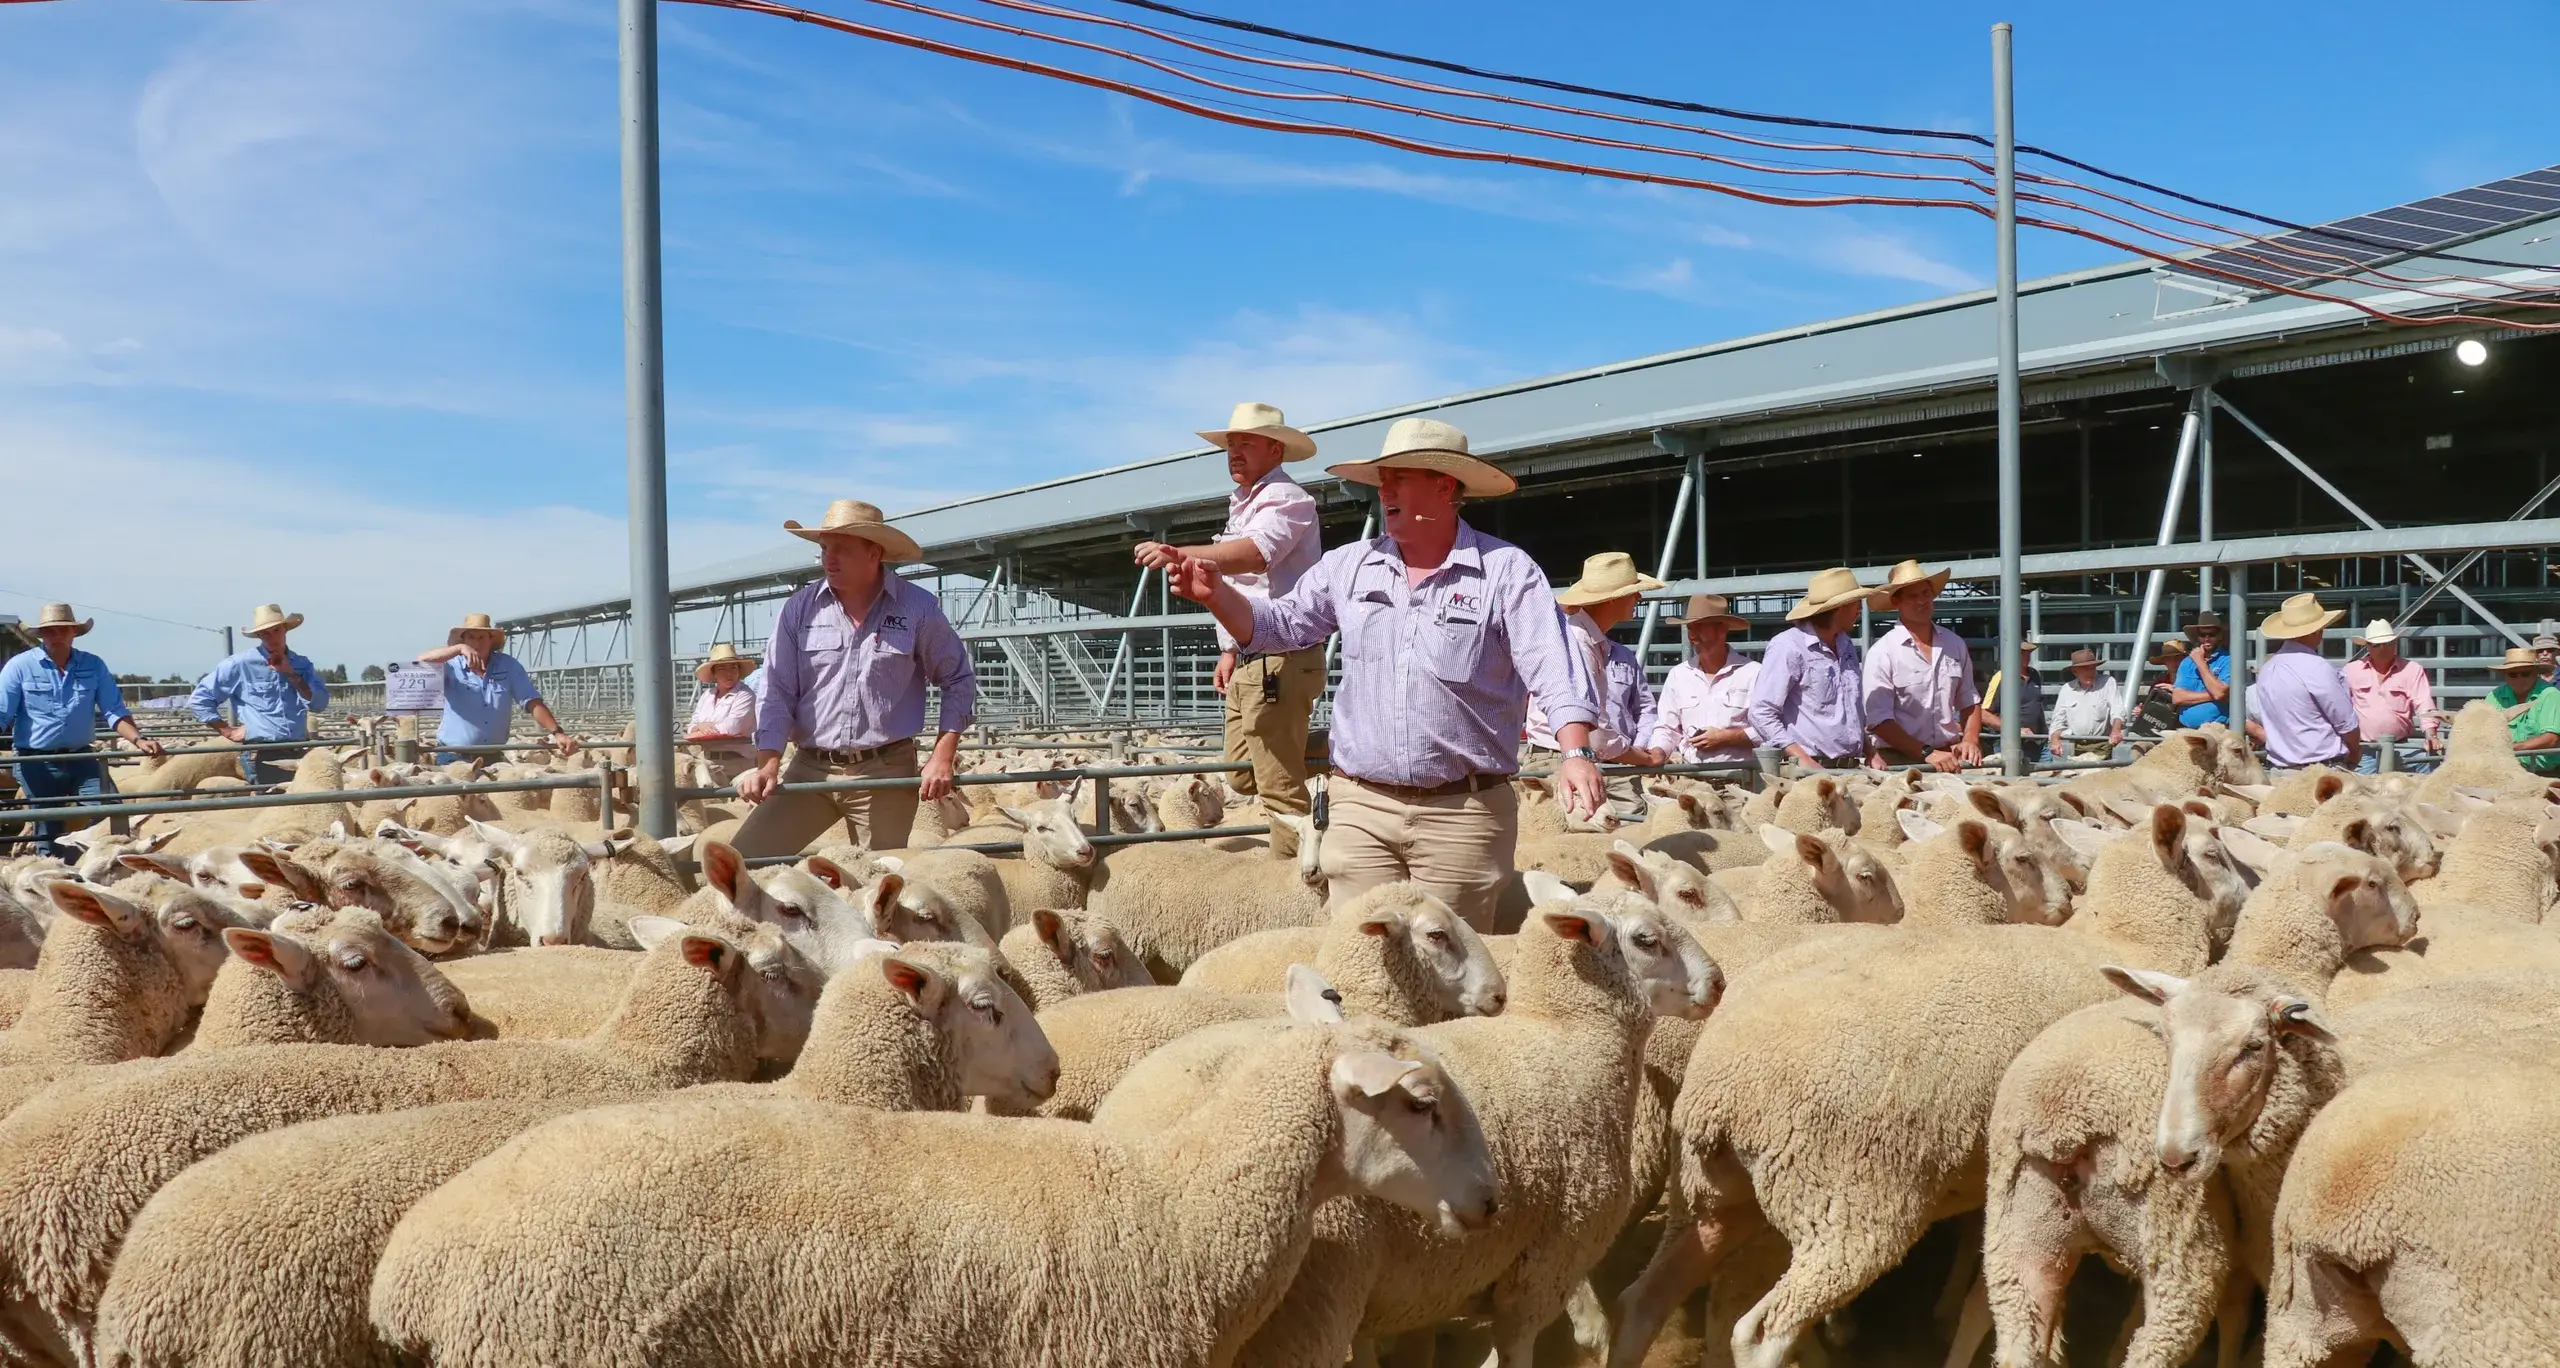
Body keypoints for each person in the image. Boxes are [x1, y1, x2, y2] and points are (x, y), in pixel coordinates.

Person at [1160, 416, 1604, 929]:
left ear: (1444, 485)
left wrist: (1575, 752)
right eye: (1381, 480)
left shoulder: (1506, 570)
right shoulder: (1349, 566)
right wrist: (1217, 595)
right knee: (1361, 964)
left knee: (1453, 978)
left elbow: (1552, 663)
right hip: (1360, 807)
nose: (1384, 491)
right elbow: (1278, 626)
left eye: (1399, 479)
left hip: (1461, 813)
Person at [1133, 403, 1324, 860]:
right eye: (1230, 445)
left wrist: (1177, 553)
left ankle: (1291, 877)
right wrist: (1229, 650)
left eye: (1246, 444)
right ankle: (1347, 754)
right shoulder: (1246, 503)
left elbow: (1256, 556)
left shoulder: (1289, 500)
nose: (1234, 453)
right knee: (1241, 772)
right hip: (1252, 657)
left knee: (1278, 786)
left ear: (1275, 449)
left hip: (1282, 655)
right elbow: (1239, 585)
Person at [732, 499, 977, 855]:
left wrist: (942, 756)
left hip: (885, 774)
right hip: (810, 769)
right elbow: (777, 689)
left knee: (881, 887)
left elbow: (957, 679)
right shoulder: (800, 608)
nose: (829, 559)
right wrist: (768, 762)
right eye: (824, 549)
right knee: (745, 860)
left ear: (873, 553)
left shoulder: (918, 609)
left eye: (842, 549)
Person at [0, 604, 163, 857]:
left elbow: (114, 710)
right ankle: (52, 874)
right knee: (47, 822)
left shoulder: (93, 665)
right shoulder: (19, 667)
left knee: (107, 809)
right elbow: (2, 712)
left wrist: (138, 739)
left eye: (63, 629)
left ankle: (88, 860)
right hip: (36, 759)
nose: (56, 634)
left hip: (81, 756)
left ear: (74, 632)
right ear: (40, 634)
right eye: (49, 630)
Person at [1526, 552, 1667, 768]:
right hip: (1568, 757)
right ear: (1613, 598)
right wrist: (1643, 758)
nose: (1638, 597)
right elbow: (1597, 733)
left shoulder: (1582, 638)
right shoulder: (1580, 642)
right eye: (1632, 592)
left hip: (1565, 754)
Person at [1746, 567, 1880, 770]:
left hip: (1850, 768)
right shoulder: (1788, 646)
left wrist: (1870, 751)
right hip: (1810, 770)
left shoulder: (1845, 644)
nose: (1859, 609)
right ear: (1839, 607)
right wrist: (1802, 760)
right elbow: (1761, 711)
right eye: (1855, 603)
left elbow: (1852, 711)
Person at [1860, 560, 1982, 773]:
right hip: (1900, 761)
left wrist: (1970, 740)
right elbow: (1878, 720)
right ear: (1897, 601)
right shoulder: (1883, 652)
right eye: (1912, 596)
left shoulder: (1955, 644)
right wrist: (1926, 752)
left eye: (1926, 593)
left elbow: (1969, 701)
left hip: (1948, 756)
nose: (1922, 601)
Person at [190, 603, 328, 785]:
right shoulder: (239, 664)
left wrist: (290, 673)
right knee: (277, 806)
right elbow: (200, 699)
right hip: (264, 752)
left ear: (285, 629)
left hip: (298, 749)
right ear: (258, 636)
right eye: (265, 633)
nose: (272, 637)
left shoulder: (302, 665)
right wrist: (227, 731)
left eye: (276, 630)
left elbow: (319, 704)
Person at [412, 613, 578, 764]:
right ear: (463, 640)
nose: (477, 643)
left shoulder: (509, 666)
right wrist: (458, 649)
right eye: (471, 637)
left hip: (493, 757)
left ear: (491, 640)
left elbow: (531, 701)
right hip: (454, 757)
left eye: (482, 637)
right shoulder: (451, 666)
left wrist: (557, 733)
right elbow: (420, 662)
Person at [2246, 593, 2359, 773]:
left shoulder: (2268, 669)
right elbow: (2345, 721)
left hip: (2280, 769)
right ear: (2316, 630)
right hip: (2321, 771)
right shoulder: (2316, 667)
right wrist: (2355, 753)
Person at [1651, 594, 1760, 766]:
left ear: (1722, 629)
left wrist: (1726, 738)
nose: (1692, 635)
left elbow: (1769, 730)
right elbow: (1667, 728)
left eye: (1699, 627)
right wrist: (1657, 752)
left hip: (1741, 781)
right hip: (1691, 779)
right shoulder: (1678, 675)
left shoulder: (1753, 673)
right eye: (1690, 628)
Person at [2342, 619, 2439, 774]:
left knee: (2435, 774)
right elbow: (2340, 708)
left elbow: (2423, 703)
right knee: (2358, 792)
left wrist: (2431, 735)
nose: (2382, 648)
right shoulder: (2351, 671)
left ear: (2395, 643)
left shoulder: (2411, 670)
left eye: (2387, 643)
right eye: (2376, 645)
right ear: (2367, 646)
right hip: (2365, 749)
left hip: (2401, 747)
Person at [684, 643, 761, 787]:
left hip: (736, 763)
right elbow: (691, 725)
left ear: (739, 671)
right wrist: (699, 725)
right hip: (706, 760)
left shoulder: (745, 695)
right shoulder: (707, 695)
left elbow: (732, 727)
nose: (729, 673)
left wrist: (701, 727)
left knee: (738, 805)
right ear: (714, 673)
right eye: (722, 668)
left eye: (733, 667)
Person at [1978, 636, 2050, 762]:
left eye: (2028, 652)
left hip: (2039, 743)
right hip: (2010, 744)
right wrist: (2015, 730)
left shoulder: (2034, 674)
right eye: (2022, 653)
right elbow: (1984, 714)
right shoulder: (2001, 677)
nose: (2026, 656)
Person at [2489, 647, 2560, 775]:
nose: (2520, 679)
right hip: (2504, 770)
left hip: (2545, 773)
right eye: (2513, 674)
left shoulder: (2550, 695)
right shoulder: (2495, 696)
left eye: (2526, 674)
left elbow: (2551, 739)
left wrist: (2512, 748)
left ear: (2536, 673)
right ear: (2505, 676)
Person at [2045, 648, 2124, 761]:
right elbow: (2058, 720)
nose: (2090, 672)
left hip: (2102, 745)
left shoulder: (2108, 683)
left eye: (2092, 668)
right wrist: (2054, 740)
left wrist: (2116, 730)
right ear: (2075, 671)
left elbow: (2118, 710)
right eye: (2085, 669)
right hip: (2075, 745)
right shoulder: (2067, 689)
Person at [2170, 611, 2233, 728]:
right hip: (2186, 728)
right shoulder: (2187, 662)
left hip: (2219, 728)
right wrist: (2214, 695)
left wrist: (2200, 662)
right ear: (2198, 637)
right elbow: (2178, 697)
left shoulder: (2229, 660)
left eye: (2212, 634)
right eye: (2203, 635)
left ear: (2220, 635)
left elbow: (2219, 693)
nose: (2207, 638)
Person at [2126, 637, 2188, 742]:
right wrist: (2143, 711)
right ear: (2164, 662)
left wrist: (2177, 691)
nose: (2173, 662)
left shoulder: (2193, 681)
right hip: (2159, 731)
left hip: (2183, 729)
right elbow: (2153, 709)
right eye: (2169, 659)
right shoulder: (2158, 683)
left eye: (2177, 658)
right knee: (2138, 747)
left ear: (2183, 660)